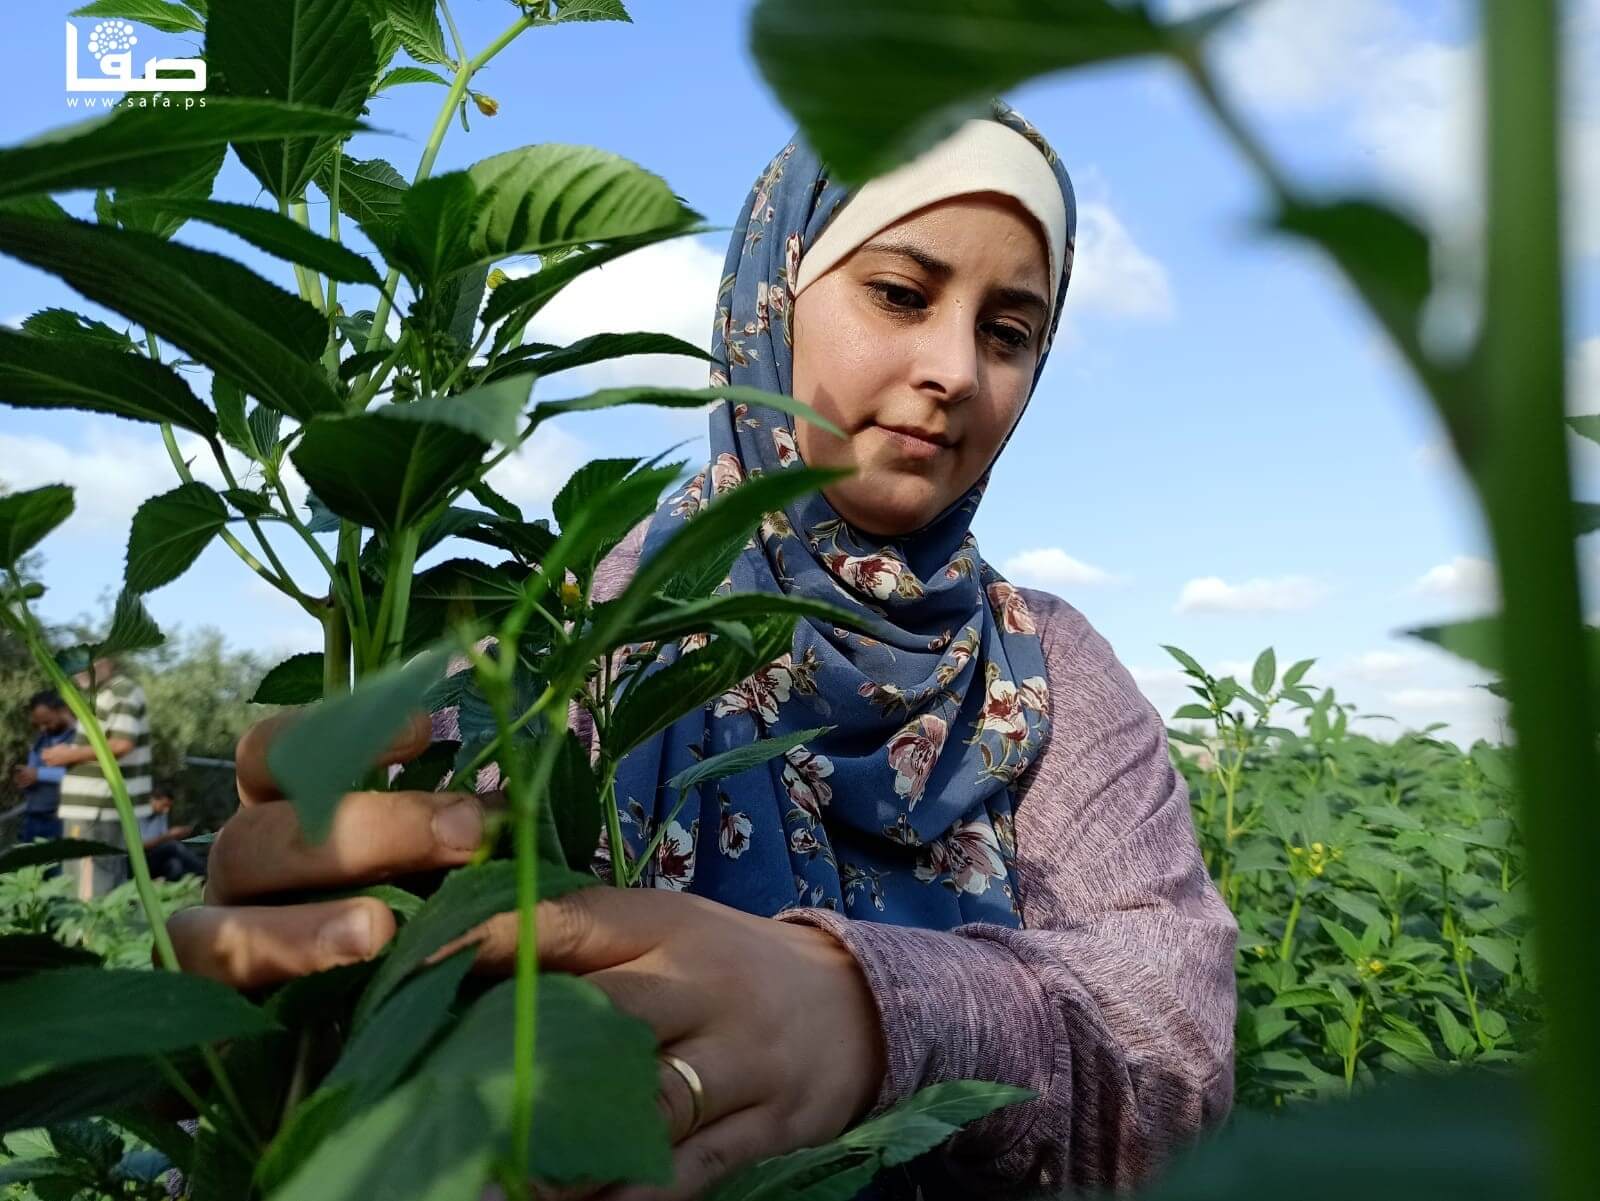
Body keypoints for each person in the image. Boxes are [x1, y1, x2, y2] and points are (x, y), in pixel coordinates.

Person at [169, 101, 1237, 1199]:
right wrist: (274, 1035)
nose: (955, 369)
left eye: (1007, 333)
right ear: (768, 298)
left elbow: (1175, 1049)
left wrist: (870, 1013)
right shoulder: (570, 630)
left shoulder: (1042, 668)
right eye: (899, 294)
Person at [44, 655, 153, 900]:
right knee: (98, 878)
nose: (80, 671)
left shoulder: (120, 690)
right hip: (95, 809)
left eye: (89, 663)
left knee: (87, 886)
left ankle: (89, 937)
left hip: (96, 809)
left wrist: (67, 755)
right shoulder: (102, 695)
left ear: (109, 661)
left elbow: (122, 743)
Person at [12, 690, 75, 875]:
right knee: (29, 876)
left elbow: (80, 774)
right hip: (33, 818)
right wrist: (26, 778)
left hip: (58, 820)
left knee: (57, 876)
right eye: (38, 724)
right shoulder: (41, 740)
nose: (43, 728)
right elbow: (33, 770)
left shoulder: (80, 738)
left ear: (62, 711)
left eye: (47, 722)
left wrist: (39, 774)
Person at [138, 786, 203, 882]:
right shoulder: (139, 816)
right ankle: (204, 872)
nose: (166, 810)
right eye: (164, 805)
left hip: (158, 859)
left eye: (168, 807)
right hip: (143, 859)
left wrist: (178, 834)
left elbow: (162, 840)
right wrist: (169, 835)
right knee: (174, 846)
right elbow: (142, 845)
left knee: (175, 864)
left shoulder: (161, 815)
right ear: (153, 800)